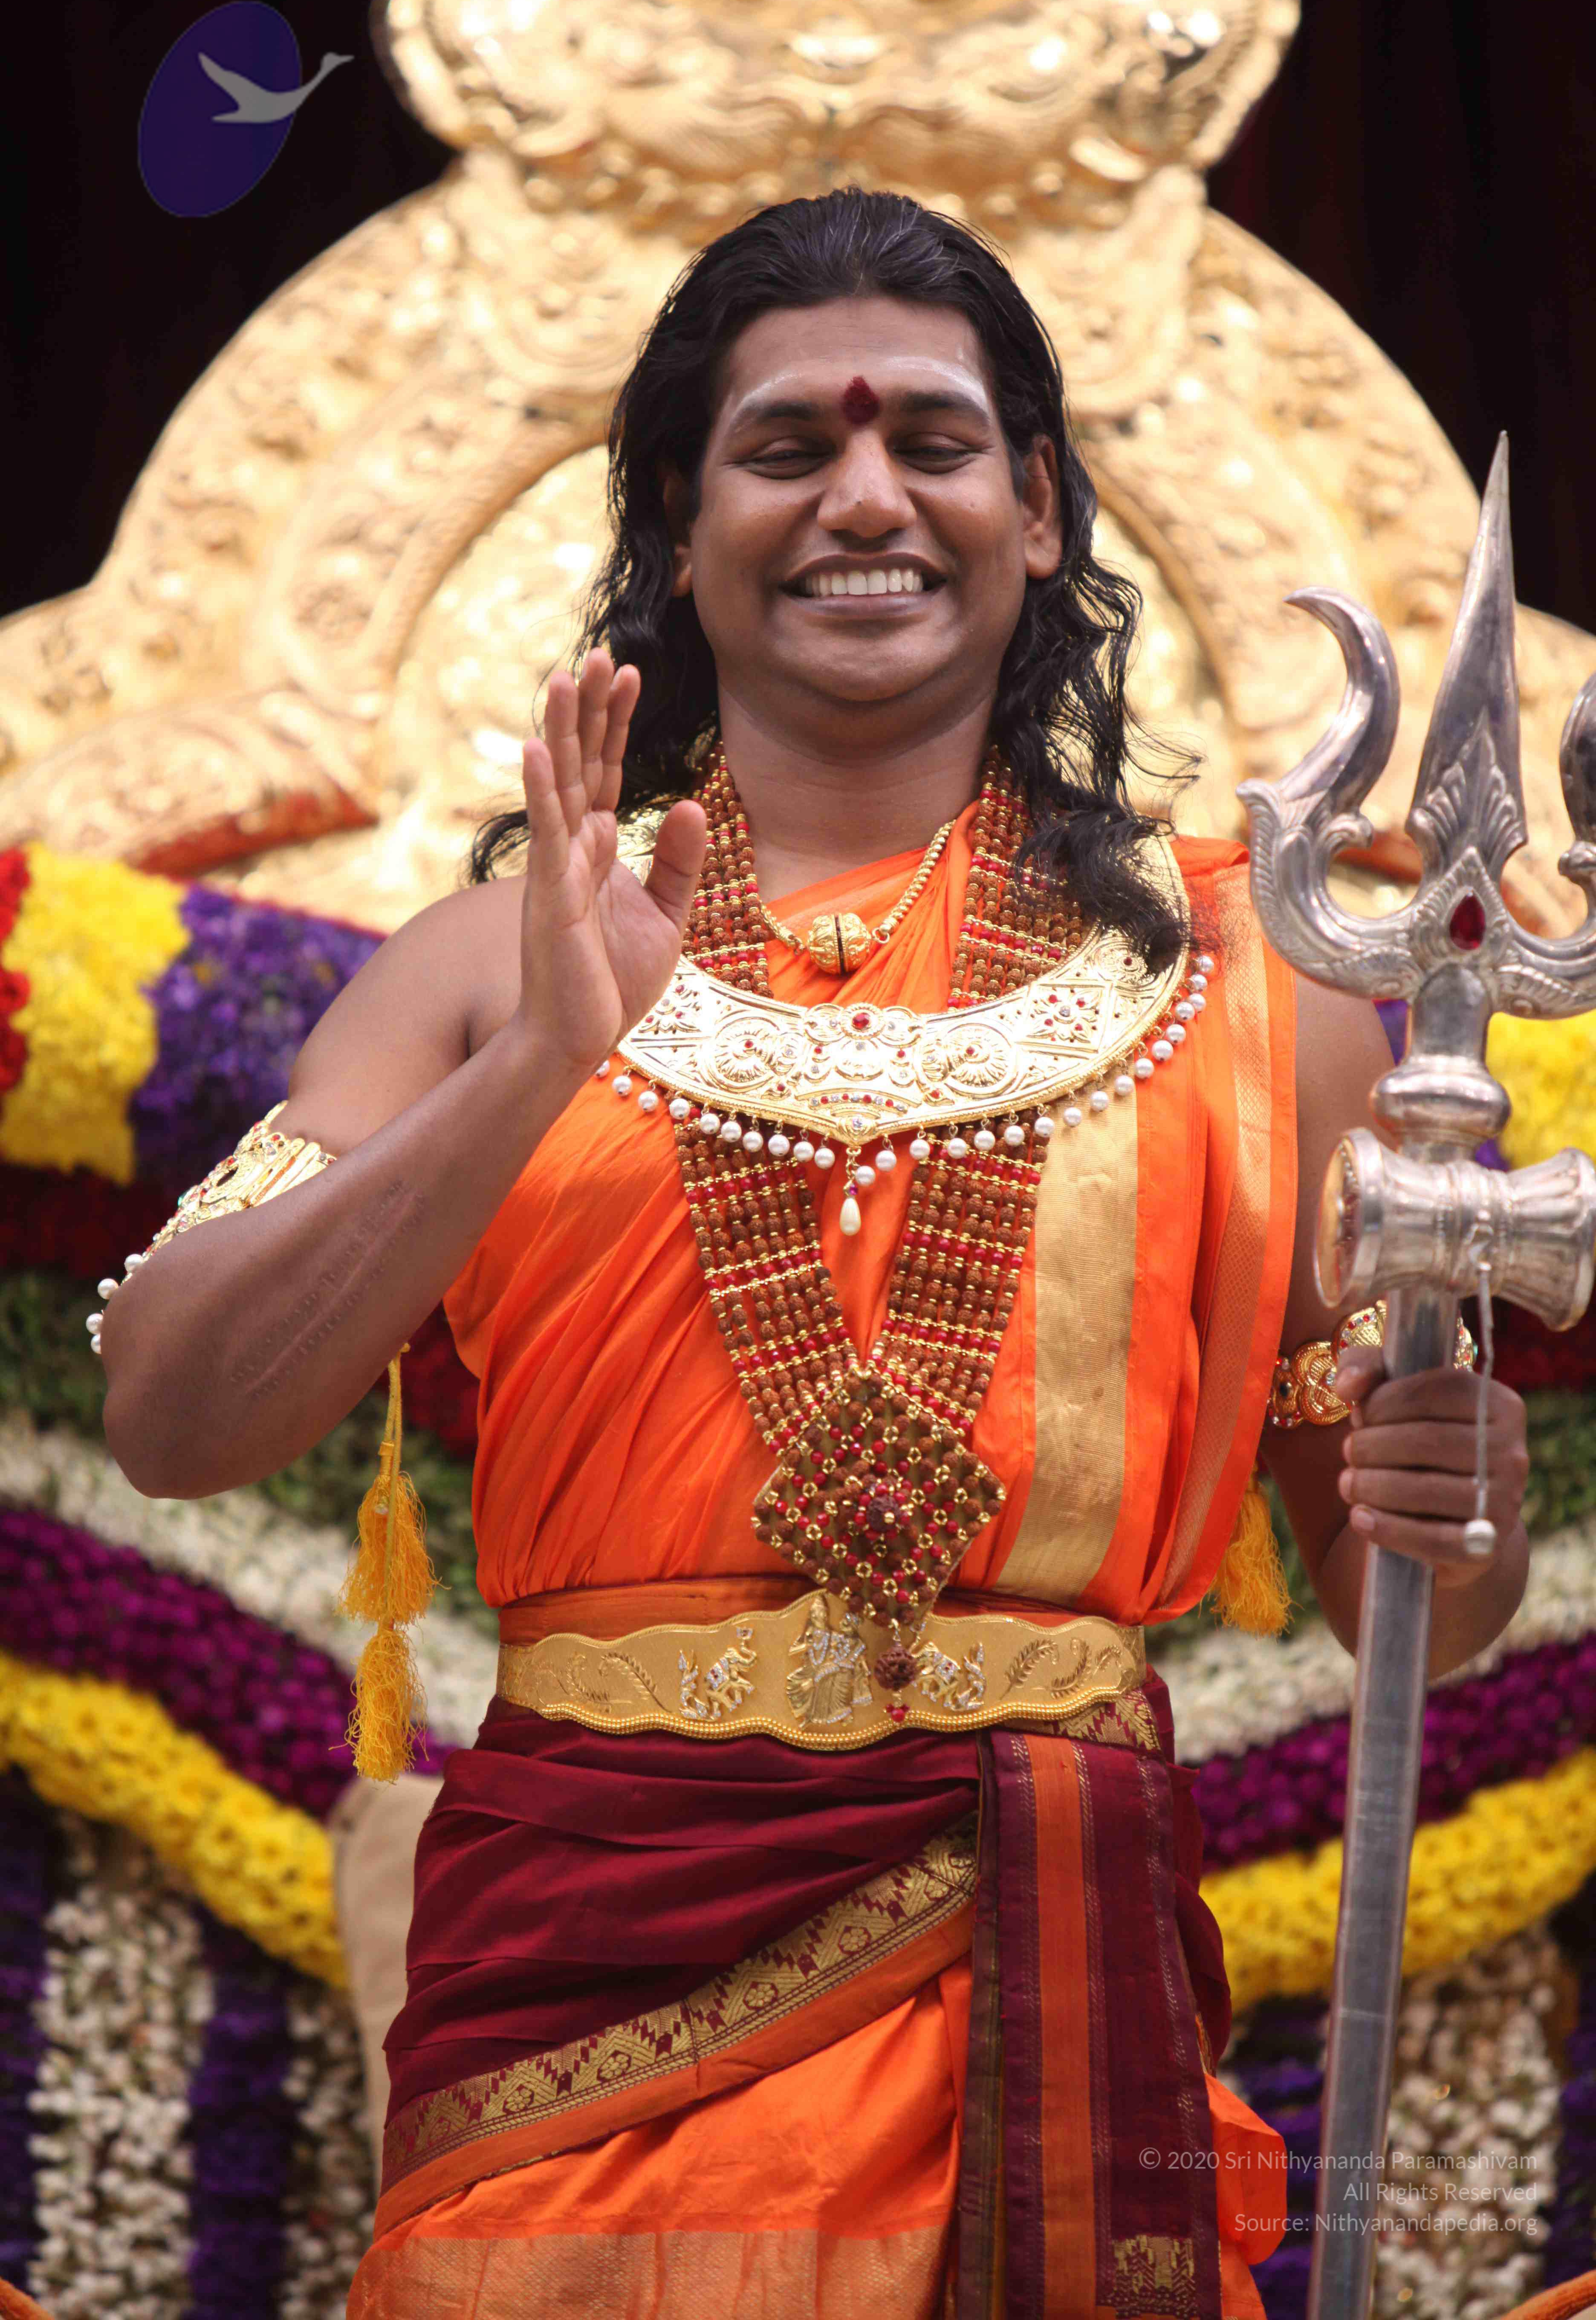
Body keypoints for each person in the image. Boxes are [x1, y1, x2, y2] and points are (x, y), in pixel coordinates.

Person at [100, 189, 1530, 2320]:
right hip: (575, 2006)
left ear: (1037, 512)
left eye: (932, 442)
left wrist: (1463, 1500)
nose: (867, 499)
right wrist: (545, 1060)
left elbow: (1404, 1586)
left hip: (1042, 1997)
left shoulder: (1265, 983)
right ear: (681, 532)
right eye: (786, 448)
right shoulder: (482, 967)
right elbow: (171, 1410)